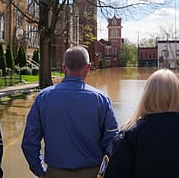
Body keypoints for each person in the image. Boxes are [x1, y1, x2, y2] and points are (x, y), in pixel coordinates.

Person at [21, 45, 118, 178]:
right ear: (88, 68)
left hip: (55, 173)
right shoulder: (101, 100)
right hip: (93, 173)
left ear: (64, 67)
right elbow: (112, 142)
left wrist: (41, 171)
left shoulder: (43, 98)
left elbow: (29, 143)